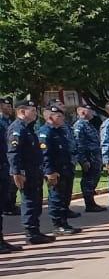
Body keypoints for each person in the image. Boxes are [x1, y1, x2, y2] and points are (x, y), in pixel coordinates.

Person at [7, 100, 57, 245]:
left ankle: (35, 231)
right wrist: (17, 172)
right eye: (33, 110)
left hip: (35, 171)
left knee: (36, 202)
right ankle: (31, 233)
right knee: (29, 202)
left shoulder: (28, 128)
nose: (36, 113)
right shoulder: (17, 128)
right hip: (26, 172)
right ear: (22, 112)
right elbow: (13, 152)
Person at [41, 105, 82, 235]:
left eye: (61, 115)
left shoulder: (60, 131)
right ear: (50, 118)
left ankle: (64, 223)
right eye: (58, 116)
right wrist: (49, 172)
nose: (62, 118)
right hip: (55, 171)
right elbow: (45, 155)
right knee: (56, 198)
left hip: (66, 169)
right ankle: (58, 225)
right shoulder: (45, 132)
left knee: (65, 198)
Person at [72, 105, 106, 213]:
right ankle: (89, 203)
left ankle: (91, 202)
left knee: (94, 178)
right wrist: (83, 160)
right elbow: (79, 144)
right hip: (89, 157)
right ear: (82, 112)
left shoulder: (89, 124)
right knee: (88, 180)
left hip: (95, 156)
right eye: (89, 110)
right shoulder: (79, 125)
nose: (92, 112)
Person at [0, 96, 18, 217]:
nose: (10, 108)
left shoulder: (10, 122)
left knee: (12, 183)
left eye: (10, 106)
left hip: (9, 156)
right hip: (3, 157)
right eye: (7, 107)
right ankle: (7, 206)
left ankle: (10, 204)